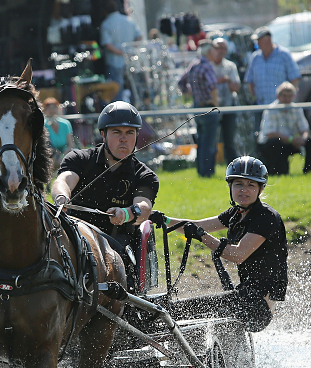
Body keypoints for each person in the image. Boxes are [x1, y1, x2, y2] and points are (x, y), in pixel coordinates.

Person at [163, 156, 286, 333]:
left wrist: (202, 236)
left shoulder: (266, 217)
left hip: (256, 308)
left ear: (260, 189)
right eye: (238, 184)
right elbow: (196, 225)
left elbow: (237, 254)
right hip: (243, 297)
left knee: (175, 312)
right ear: (230, 186)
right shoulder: (237, 213)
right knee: (176, 311)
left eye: (251, 185)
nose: (244, 190)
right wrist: (163, 219)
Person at [50, 101, 158, 289]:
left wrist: (125, 214)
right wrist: (61, 197)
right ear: (103, 134)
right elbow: (63, 180)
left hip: (116, 244)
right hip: (74, 238)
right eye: (117, 132)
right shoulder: (79, 158)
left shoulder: (145, 175)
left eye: (130, 133)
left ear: (137, 136)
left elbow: (144, 207)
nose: (123, 139)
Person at [244, 27, 301, 133]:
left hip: (281, 107)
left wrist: (288, 98)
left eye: (259, 41)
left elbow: (295, 78)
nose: (258, 44)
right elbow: (250, 80)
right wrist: (254, 97)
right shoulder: (255, 57)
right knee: (261, 137)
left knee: (282, 135)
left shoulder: (284, 54)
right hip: (261, 106)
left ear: (267, 40)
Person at [257, 82, 311, 176]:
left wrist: (303, 138)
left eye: (290, 96)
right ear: (278, 96)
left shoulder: (297, 108)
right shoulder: (271, 109)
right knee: (276, 143)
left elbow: (304, 129)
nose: (287, 99)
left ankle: (309, 171)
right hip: (274, 144)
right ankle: (281, 172)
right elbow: (270, 134)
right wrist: (291, 140)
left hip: (292, 141)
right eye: (284, 96)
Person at [178, 40, 220, 178]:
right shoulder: (207, 66)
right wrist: (215, 103)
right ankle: (208, 172)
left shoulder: (194, 64)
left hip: (197, 107)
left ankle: (201, 171)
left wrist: (190, 94)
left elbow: (181, 81)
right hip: (208, 108)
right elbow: (213, 85)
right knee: (209, 142)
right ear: (209, 52)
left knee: (201, 142)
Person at [99, 0, 142, 102]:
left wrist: (121, 53)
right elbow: (139, 36)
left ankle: (118, 114)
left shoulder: (106, 24)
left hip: (115, 62)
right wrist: (131, 50)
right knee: (134, 88)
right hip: (131, 61)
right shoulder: (129, 20)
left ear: (105, 11)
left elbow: (107, 45)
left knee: (117, 90)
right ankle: (136, 111)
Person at [211, 37, 243, 165]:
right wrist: (221, 80)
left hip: (228, 106)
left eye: (223, 48)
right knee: (211, 140)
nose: (220, 51)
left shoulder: (230, 66)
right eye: (218, 47)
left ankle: (232, 168)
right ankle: (209, 168)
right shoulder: (207, 65)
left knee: (229, 140)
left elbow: (236, 87)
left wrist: (228, 81)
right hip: (211, 108)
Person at [43, 97, 74, 175]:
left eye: (54, 108)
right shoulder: (43, 125)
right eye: (49, 108)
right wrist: (56, 156)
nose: (52, 110)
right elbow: (47, 145)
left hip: (65, 152)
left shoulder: (65, 123)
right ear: (45, 111)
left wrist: (62, 155)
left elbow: (70, 145)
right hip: (51, 154)